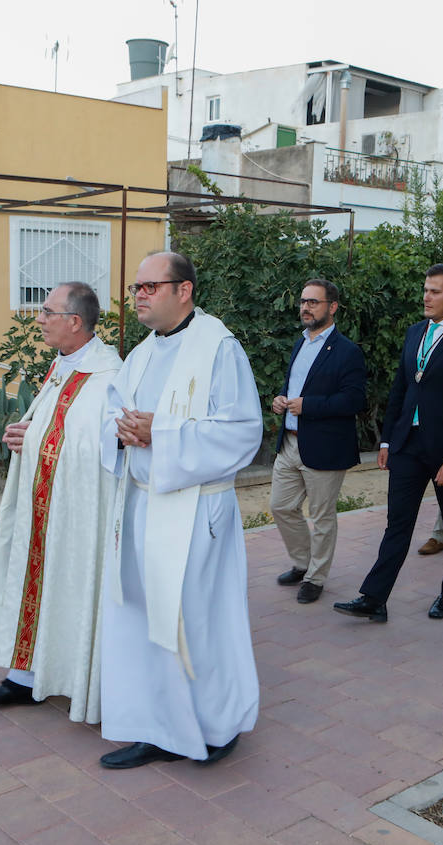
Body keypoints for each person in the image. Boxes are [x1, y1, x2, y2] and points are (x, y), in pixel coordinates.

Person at [97, 252, 261, 769]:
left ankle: (216, 726)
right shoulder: (141, 354)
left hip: (195, 513)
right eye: (137, 287)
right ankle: (155, 725)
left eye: (151, 286)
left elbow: (241, 432)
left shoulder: (219, 348)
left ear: (184, 290)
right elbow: (113, 411)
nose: (139, 295)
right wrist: (120, 434)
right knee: (144, 617)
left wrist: (158, 434)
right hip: (143, 506)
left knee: (196, 622)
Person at [0, 282, 123, 717]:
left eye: (47, 312)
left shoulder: (108, 376)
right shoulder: (64, 365)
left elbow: (103, 447)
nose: (38, 320)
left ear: (74, 322)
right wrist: (28, 431)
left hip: (78, 513)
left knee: (70, 586)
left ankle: (70, 673)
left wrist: (37, 435)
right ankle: (25, 676)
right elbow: (57, 428)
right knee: (34, 578)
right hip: (45, 504)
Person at [334, 264, 443, 623]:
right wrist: (388, 438)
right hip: (408, 443)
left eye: (435, 291)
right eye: (425, 289)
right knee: (398, 522)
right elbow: (402, 389)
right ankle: (374, 597)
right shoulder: (414, 333)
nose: (426, 297)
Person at [270, 279, 367, 604]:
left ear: (332, 307)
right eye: (303, 301)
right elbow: (296, 387)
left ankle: (315, 576)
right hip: (290, 441)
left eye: (313, 302)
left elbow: (354, 401)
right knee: (280, 506)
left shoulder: (347, 351)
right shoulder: (300, 344)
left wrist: (308, 405)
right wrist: (282, 400)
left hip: (324, 445)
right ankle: (302, 562)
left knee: (322, 516)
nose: (305, 307)